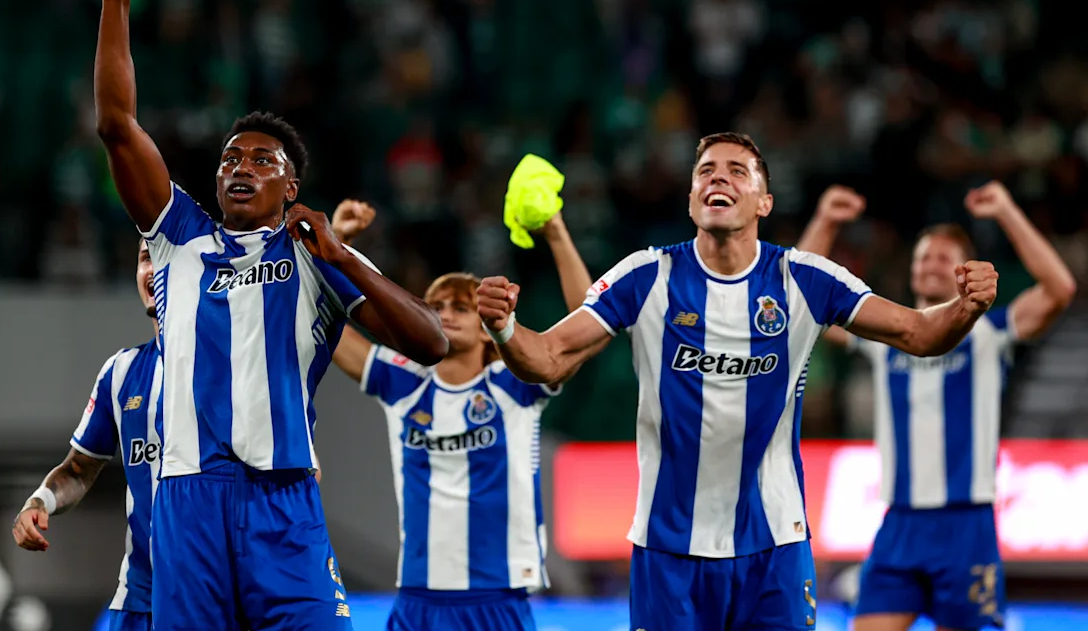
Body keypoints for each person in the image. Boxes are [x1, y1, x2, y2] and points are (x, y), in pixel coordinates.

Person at [89, 0, 449, 631]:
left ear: (292, 186)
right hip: (187, 501)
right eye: (229, 159)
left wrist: (343, 253)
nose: (239, 167)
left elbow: (431, 342)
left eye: (262, 160)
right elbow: (118, 126)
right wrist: (118, 5)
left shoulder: (314, 254)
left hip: (284, 504)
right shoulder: (177, 233)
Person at [476, 132, 999, 631]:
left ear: (764, 202)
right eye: (705, 171)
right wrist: (503, 326)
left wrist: (966, 307)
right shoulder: (647, 275)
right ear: (691, 199)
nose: (717, 179)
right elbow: (548, 357)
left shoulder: (806, 279)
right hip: (668, 549)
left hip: (774, 547)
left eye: (735, 171)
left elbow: (918, 331)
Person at [797, 181, 1076, 631]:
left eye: (943, 257)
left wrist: (1006, 210)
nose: (930, 264)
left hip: (965, 525)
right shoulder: (885, 340)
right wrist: (825, 222)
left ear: (964, 271)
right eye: (923, 256)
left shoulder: (989, 333)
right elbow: (802, 303)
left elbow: (1060, 288)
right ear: (910, 272)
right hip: (899, 523)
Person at [326, 198, 591, 631]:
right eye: (437, 306)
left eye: (461, 306)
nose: (446, 313)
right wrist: (338, 246)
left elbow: (588, 326)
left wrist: (557, 233)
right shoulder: (404, 383)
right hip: (417, 596)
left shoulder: (514, 383)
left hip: (498, 596)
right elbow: (325, 326)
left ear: (488, 328)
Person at [12, 239, 162, 631]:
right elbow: (79, 470)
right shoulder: (121, 373)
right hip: (139, 600)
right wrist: (39, 501)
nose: (153, 270)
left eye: (165, 258)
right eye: (145, 258)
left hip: (215, 594)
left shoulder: (231, 370)